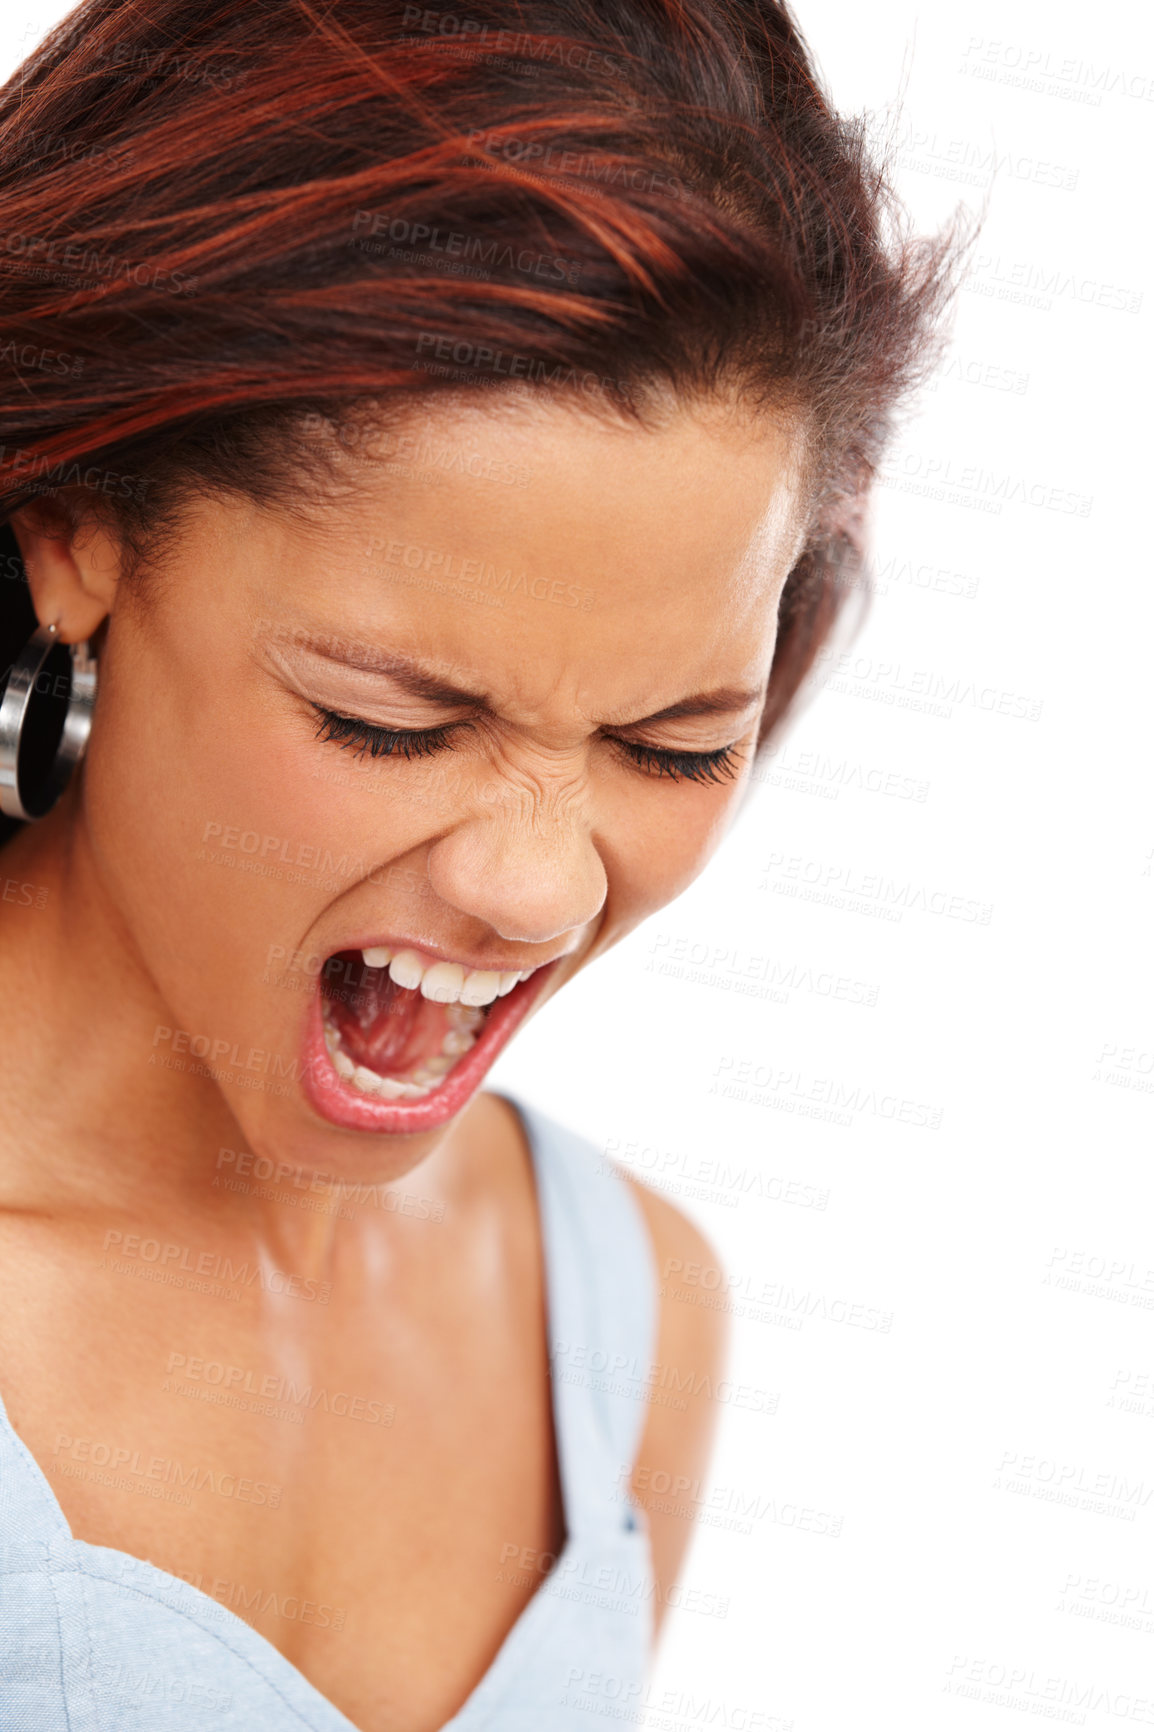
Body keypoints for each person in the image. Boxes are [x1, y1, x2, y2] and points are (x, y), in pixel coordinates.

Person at [0, 1, 961, 1727]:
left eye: (671, 744)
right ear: (73, 533)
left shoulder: (618, 1323)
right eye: (390, 721)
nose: (534, 889)